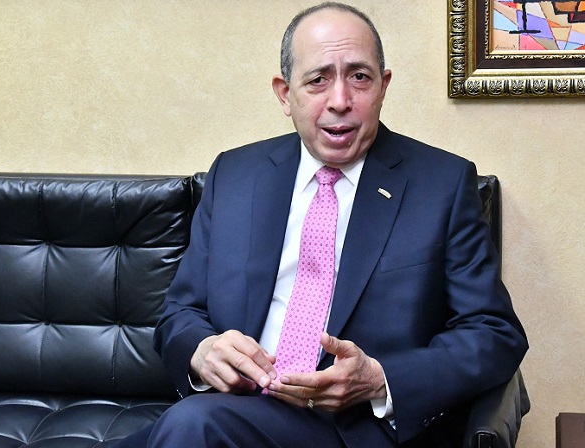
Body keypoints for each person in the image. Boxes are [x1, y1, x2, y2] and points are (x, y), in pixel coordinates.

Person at [119, 2, 528, 447]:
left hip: (355, 427)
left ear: (383, 86)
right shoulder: (235, 175)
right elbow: (181, 312)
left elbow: (495, 333)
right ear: (284, 94)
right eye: (318, 80)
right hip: (235, 409)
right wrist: (202, 351)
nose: (340, 101)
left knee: (193, 426)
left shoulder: (441, 185)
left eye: (360, 77)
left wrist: (380, 378)